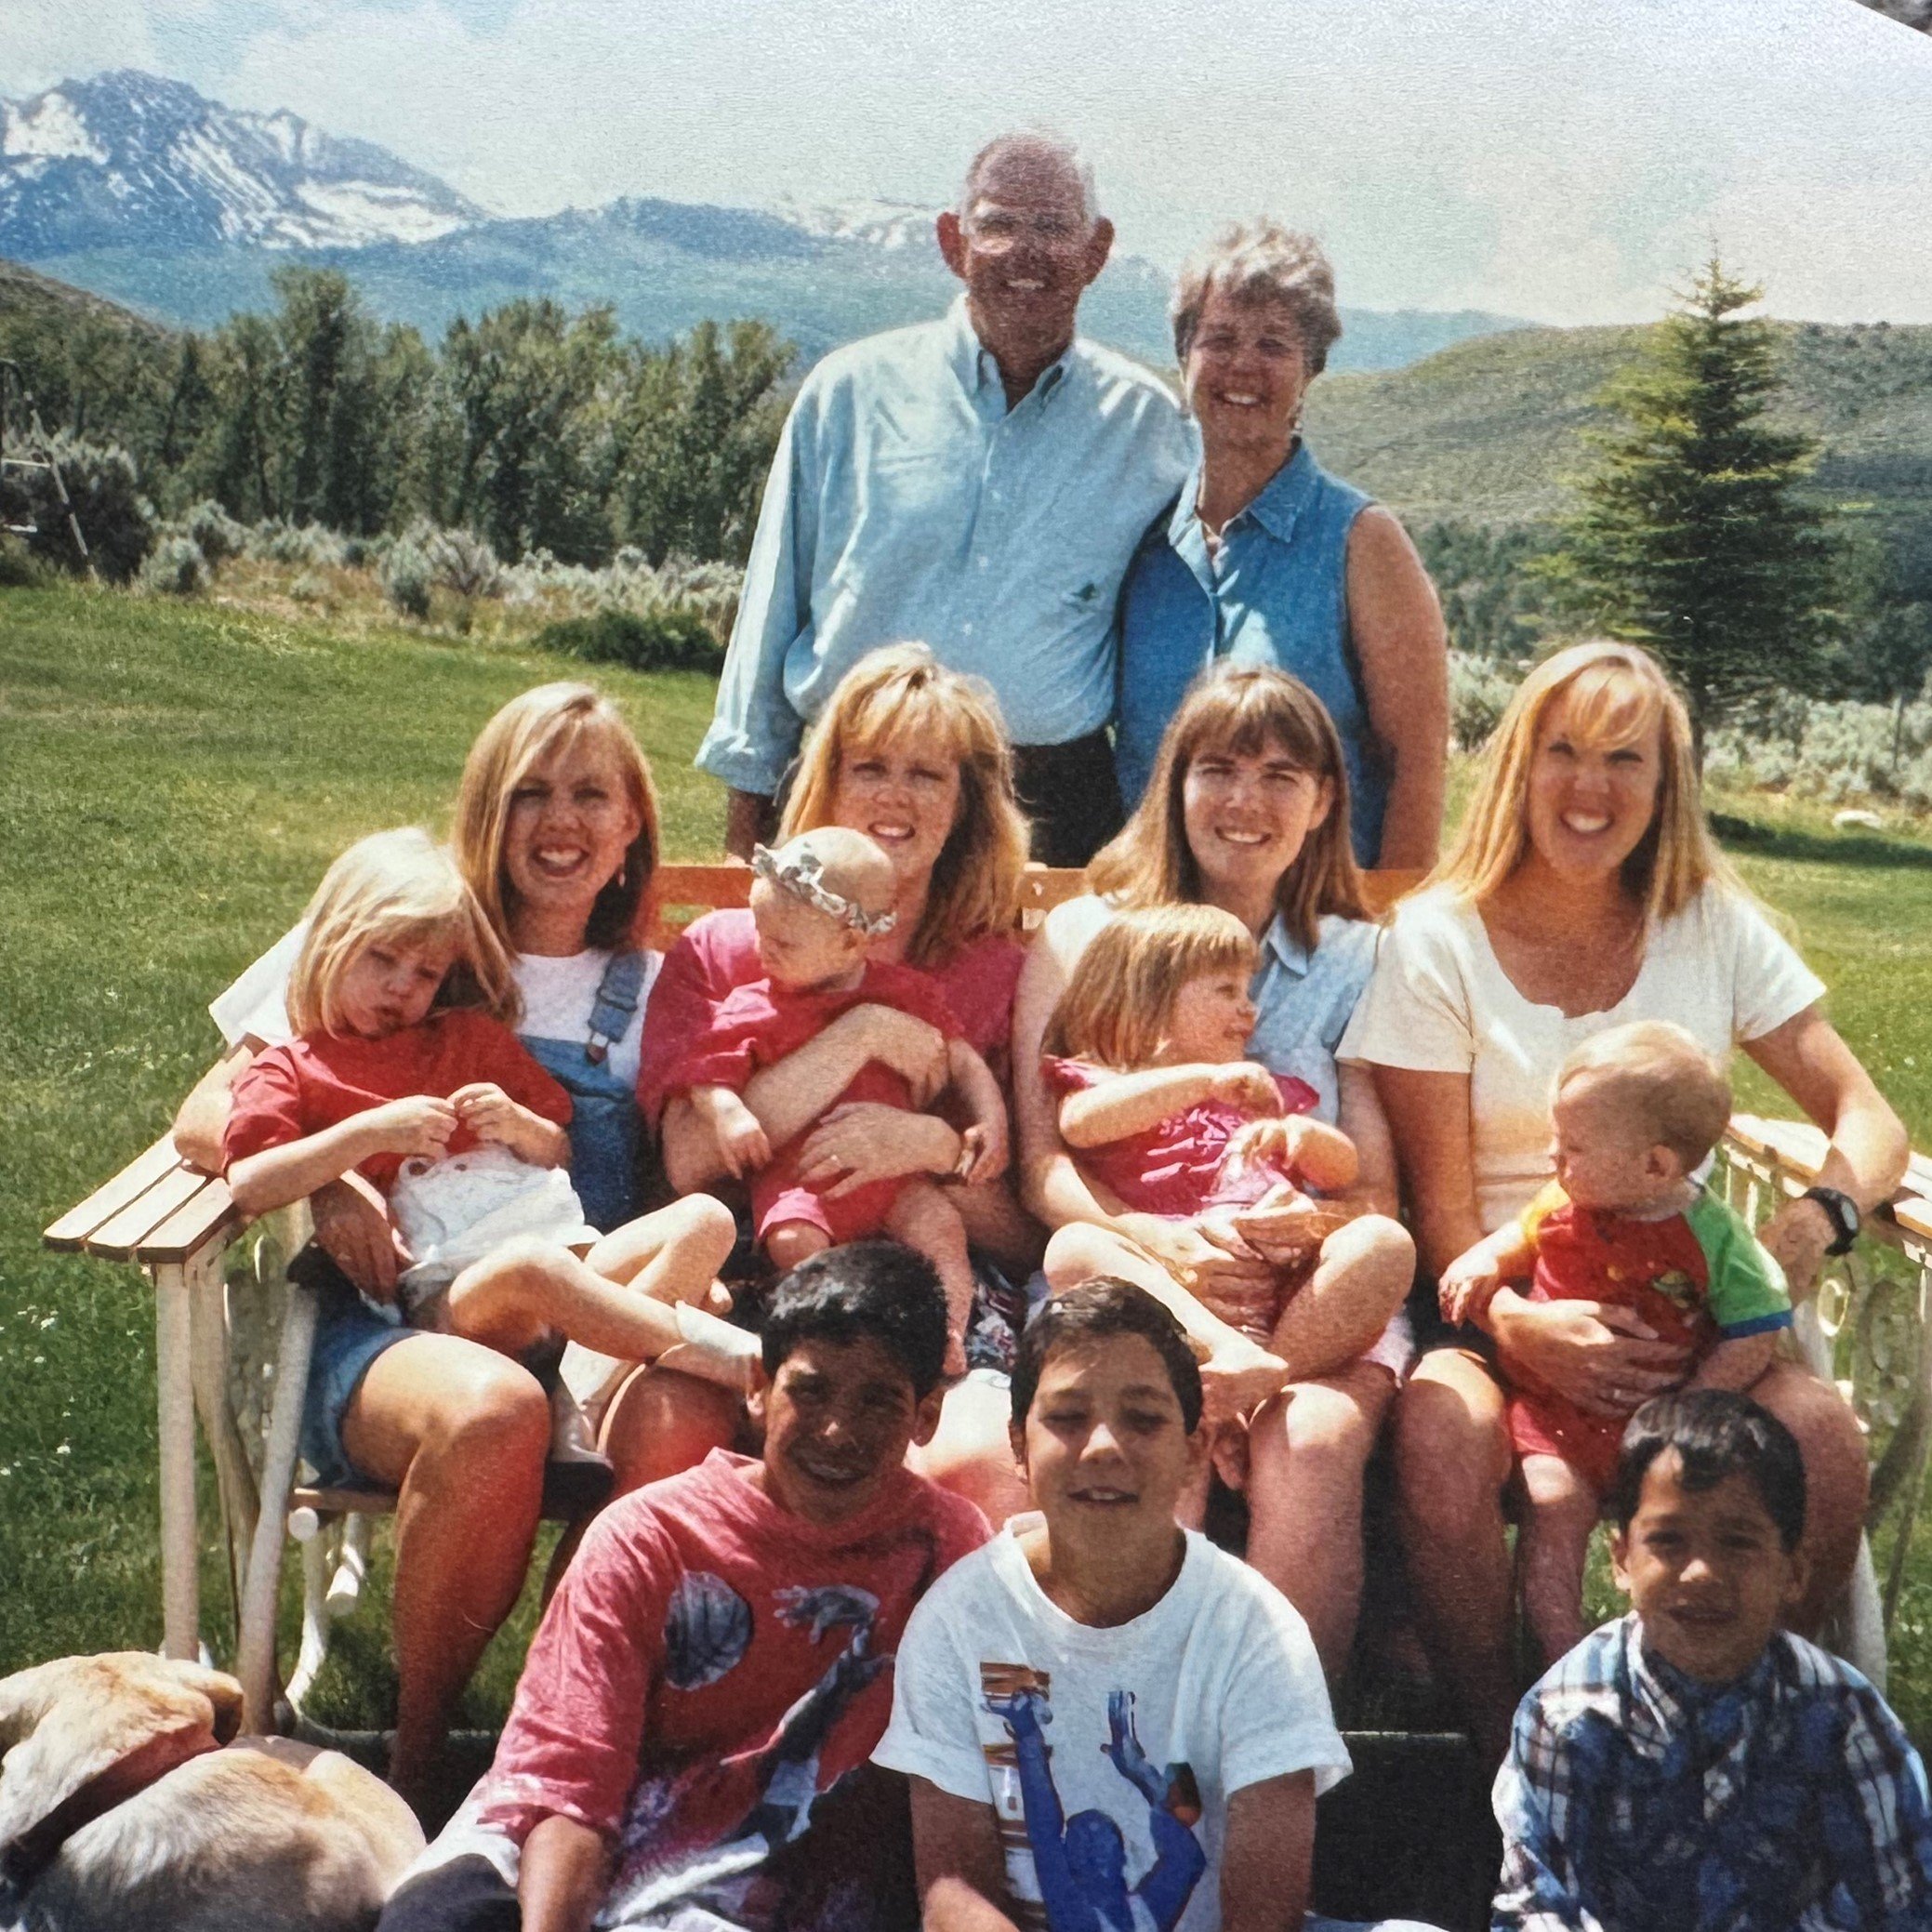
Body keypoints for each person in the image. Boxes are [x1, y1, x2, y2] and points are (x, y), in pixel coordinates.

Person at [1345, 639, 1908, 1764]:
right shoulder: (1437, 939)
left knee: (1818, 1436)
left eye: (1623, 757)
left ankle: (1732, 1747)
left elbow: (1870, 1119)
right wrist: (1513, 1324)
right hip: (1497, 1297)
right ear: (1516, 765)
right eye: (1561, 750)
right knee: (1441, 1431)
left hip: (1685, 1307)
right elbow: (1442, 1216)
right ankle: (1513, 1759)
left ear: (1665, 784)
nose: (1588, 785)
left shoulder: (1702, 924)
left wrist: (1809, 1225)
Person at [172, 682, 735, 1804]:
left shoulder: (658, 984)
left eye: (591, 794)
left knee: (687, 1409)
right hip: (388, 1321)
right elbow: (209, 1118)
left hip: (582, 1311)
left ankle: (555, 1728)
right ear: (486, 805)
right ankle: (424, 1766)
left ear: (633, 825)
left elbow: (695, 1138)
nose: (561, 823)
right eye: (530, 792)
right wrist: (334, 1171)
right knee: (491, 1407)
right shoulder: (396, 927)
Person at [375, 1243, 992, 1932]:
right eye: (810, 1390)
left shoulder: (949, 1554)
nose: (838, 1430)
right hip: (572, 1835)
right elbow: (569, 1785)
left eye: (880, 1402)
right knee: (432, 1921)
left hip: (782, 1861)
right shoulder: (650, 1538)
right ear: (759, 1384)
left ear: (927, 1416)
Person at [999, 663, 1413, 1673]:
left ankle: (1274, 1751)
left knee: (1309, 1439)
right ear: (1172, 784)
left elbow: (1373, 1187)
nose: (1244, 799)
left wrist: (1302, 1230)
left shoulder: (1360, 955)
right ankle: (1116, 1712)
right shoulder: (1089, 934)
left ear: (1322, 803)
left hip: (1299, 1298)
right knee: (1127, 1415)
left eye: (1281, 774)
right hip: (1135, 1270)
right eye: (1216, 767)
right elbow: (1047, 1158)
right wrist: (1153, 1242)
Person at [874, 1279, 1442, 1932]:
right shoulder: (959, 1618)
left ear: (1193, 1450)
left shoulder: (1255, 1627)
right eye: (1066, 1418)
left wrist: (1139, 1774)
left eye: (1144, 1419)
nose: (1105, 1448)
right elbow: (954, 1894)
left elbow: (1265, 1911)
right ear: (1019, 1448)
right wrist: (1028, 1739)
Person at [695, 132, 1192, 867]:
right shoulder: (848, 394)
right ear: (952, 242)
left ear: (1097, 250)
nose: (1027, 250)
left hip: (1050, 814)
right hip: (850, 783)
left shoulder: (1152, 429)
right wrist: (747, 835)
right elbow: (771, 613)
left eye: (1054, 226)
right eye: (998, 224)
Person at [218, 827, 755, 1483]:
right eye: (382, 959)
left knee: (706, 1220)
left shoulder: (468, 1038)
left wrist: (517, 1123)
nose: (400, 987)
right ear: (328, 941)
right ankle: (737, 1359)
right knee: (532, 1269)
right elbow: (249, 1182)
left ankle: (579, 1396)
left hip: (570, 1263)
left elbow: (558, 1144)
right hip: (457, 1295)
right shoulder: (289, 1070)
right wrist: (365, 1138)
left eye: (424, 974)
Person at [646, 644, 1040, 1521]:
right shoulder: (729, 945)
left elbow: (1024, 1232)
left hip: (937, 1292)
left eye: (926, 775)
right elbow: (689, 1164)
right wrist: (862, 1031)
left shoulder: (999, 970)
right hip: (757, 1271)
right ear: (827, 783)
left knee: (972, 1466)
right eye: (870, 768)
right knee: (667, 1433)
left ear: (965, 804)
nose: (895, 797)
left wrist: (930, 1146)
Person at [1492, 1390, 1932, 1931]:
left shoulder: (1844, 1720)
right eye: (1669, 1540)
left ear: (1793, 1571)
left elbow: (1903, 1901)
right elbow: (1538, 1908)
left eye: (1737, 1542)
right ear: (1622, 1560)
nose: (1700, 1571)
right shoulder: (1566, 1718)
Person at [1438, 1022, 1793, 1668]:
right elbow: (1520, 1237)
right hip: (1556, 1418)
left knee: (1676, 1534)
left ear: (1656, 1165)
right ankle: (1558, 1659)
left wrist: (1694, 1403)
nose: (1552, 1157)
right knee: (1552, 1509)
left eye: (1572, 1146)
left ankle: (1660, 1660)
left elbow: (1758, 1322)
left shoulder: (1712, 1236)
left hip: (1656, 1426)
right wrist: (1483, 1261)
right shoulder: (1563, 1199)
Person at [1039, 903, 1411, 1499]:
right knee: (1073, 1248)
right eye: (1226, 991)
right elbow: (1083, 1125)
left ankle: (1254, 1385)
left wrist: (1303, 1137)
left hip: (1286, 1290)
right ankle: (1233, 1362)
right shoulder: (1103, 1083)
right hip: (1178, 1300)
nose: (1250, 1009)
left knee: (1385, 1243)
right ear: (1153, 1001)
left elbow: (1347, 1170)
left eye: (1249, 990)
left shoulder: (1257, 1089)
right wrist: (1199, 1080)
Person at [1115, 221, 1448, 870]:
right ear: (1184, 355)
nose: (1243, 365)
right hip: (1161, 937)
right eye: (1220, 339)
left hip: (1321, 940)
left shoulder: (1361, 540)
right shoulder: (1144, 542)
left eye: (1274, 344)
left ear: (1312, 369)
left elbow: (1418, 763)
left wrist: (1389, 931)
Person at [664, 827, 1009, 1374]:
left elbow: (961, 1057)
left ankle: (945, 1333)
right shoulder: (751, 1006)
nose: (762, 949)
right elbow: (705, 1073)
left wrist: (991, 1118)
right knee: (793, 1242)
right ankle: (842, 1337)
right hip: (803, 1178)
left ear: (852, 941)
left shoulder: (903, 993)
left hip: (893, 1182)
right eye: (760, 931)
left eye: (784, 943)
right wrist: (726, 1112)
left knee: (941, 1227)